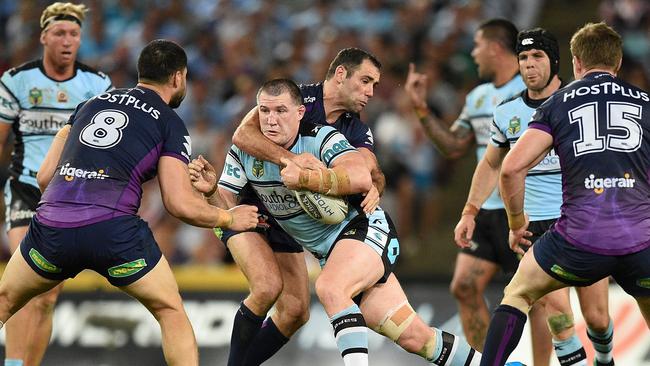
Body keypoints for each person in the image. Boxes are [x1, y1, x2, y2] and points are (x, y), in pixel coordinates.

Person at [0, 39, 259, 366]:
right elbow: (178, 204)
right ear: (178, 78)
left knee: (6, 301)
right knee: (170, 311)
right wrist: (228, 218)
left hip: (53, 229)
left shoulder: (89, 105)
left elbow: (44, 177)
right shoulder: (169, 122)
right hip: (114, 236)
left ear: (141, 73)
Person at [191, 78, 482, 366]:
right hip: (332, 253)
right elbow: (227, 212)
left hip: (366, 230)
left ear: (300, 113)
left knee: (330, 287)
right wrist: (211, 192)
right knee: (416, 338)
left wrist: (308, 177)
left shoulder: (321, 138)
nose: (271, 120)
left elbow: (360, 176)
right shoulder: (244, 152)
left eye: (280, 111)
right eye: (264, 111)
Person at [480, 22, 650, 366]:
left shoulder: (557, 104)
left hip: (579, 240)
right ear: (617, 64)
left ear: (576, 62)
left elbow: (511, 169)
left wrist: (516, 224)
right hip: (641, 240)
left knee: (517, 293)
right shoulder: (647, 103)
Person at [454, 28, 615, 366]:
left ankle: (604, 358)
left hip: (584, 221)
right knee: (559, 318)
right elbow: (490, 165)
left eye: (537, 56)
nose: (529, 65)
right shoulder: (507, 113)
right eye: (523, 58)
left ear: (555, 62)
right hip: (539, 227)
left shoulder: (580, 104)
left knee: (598, 318)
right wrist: (470, 210)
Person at [215, 48, 384, 366]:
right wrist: (293, 162)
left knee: (295, 312)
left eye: (373, 84)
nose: (370, 92)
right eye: (365, 81)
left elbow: (371, 170)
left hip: (293, 217)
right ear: (340, 75)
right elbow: (242, 135)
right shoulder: (295, 99)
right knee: (267, 287)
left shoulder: (355, 127)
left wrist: (375, 187)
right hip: (253, 205)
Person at [404, 18, 535, 356]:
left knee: (541, 301)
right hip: (486, 211)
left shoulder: (531, 91)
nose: (473, 53)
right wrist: (420, 107)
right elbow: (453, 145)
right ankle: (483, 362)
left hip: (524, 210)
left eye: (477, 45)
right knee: (463, 286)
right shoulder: (478, 97)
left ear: (495, 47)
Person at [0, 3, 112, 366]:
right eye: (60, 33)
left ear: (81, 40)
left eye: (74, 34)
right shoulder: (16, 81)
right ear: (44, 36)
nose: (67, 40)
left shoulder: (97, 85)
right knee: (20, 286)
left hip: (68, 196)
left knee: (46, 297)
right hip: (25, 189)